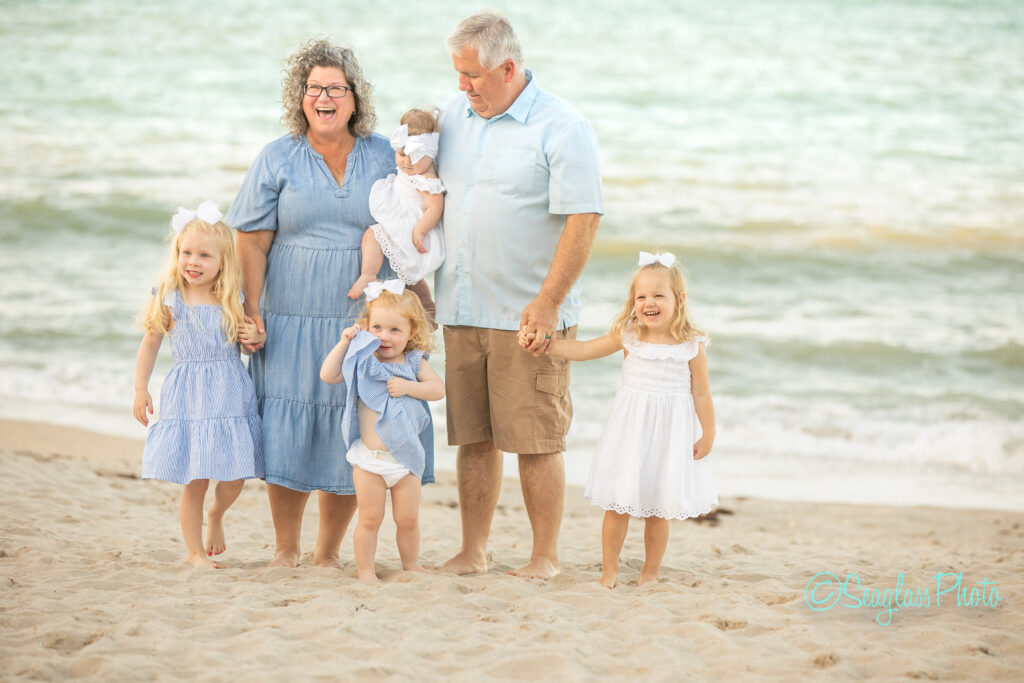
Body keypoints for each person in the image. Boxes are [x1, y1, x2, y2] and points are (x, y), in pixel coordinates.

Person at [226, 39, 435, 569]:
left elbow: (420, 203)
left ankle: (327, 553)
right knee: (287, 428)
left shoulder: (383, 151)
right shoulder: (277, 157)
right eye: (314, 88)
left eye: (335, 89)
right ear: (300, 97)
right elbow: (250, 238)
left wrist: (424, 294)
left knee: (350, 432)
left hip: (365, 321)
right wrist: (251, 310)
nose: (325, 97)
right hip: (290, 318)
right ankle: (286, 549)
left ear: (354, 98)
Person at [434, 11, 603, 579]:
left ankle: (544, 558)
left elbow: (584, 219)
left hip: (529, 315)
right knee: (474, 439)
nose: (463, 86)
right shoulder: (455, 115)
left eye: (472, 75)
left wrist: (550, 301)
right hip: (462, 309)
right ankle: (473, 551)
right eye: (457, 74)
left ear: (508, 67)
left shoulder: (562, 125)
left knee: (535, 440)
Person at [537, 252, 717, 588]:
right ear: (633, 302)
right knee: (619, 503)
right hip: (631, 432)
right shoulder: (628, 335)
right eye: (642, 296)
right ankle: (610, 570)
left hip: (671, 435)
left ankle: (650, 572)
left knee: (659, 508)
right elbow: (586, 349)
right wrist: (550, 346)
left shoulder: (692, 346)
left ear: (679, 299)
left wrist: (708, 433)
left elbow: (702, 395)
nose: (649, 302)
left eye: (658, 295)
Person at [133, 201, 266, 569]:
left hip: (229, 391)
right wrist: (140, 389)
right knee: (195, 479)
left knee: (236, 473)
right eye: (186, 252)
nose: (193, 261)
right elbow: (150, 344)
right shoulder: (169, 297)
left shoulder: (232, 298)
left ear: (223, 261)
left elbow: (249, 345)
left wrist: (254, 335)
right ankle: (194, 554)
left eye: (204, 255)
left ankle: (217, 515)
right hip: (188, 394)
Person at [320, 281, 444, 584]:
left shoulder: (415, 362)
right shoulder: (362, 360)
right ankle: (365, 570)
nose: (384, 337)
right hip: (370, 460)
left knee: (408, 519)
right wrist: (344, 342)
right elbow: (328, 375)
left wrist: (409, 387)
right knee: (370, 518)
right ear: (366, 327)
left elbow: (438, 390)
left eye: (394, 330)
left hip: (406, 461)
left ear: (411, 333)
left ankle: (411, 564)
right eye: (376, 327)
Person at [347, 109, 446, 299]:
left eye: (416, 157)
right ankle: (369, 274)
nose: (408, 162)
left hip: (411, 225)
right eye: (402, 154)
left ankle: (370, 275)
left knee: (377, 236)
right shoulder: (413, 170)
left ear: (431, 155)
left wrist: (421, 230)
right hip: (400, 215)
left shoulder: (426, 180)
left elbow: (435, 207)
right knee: (372, 235)